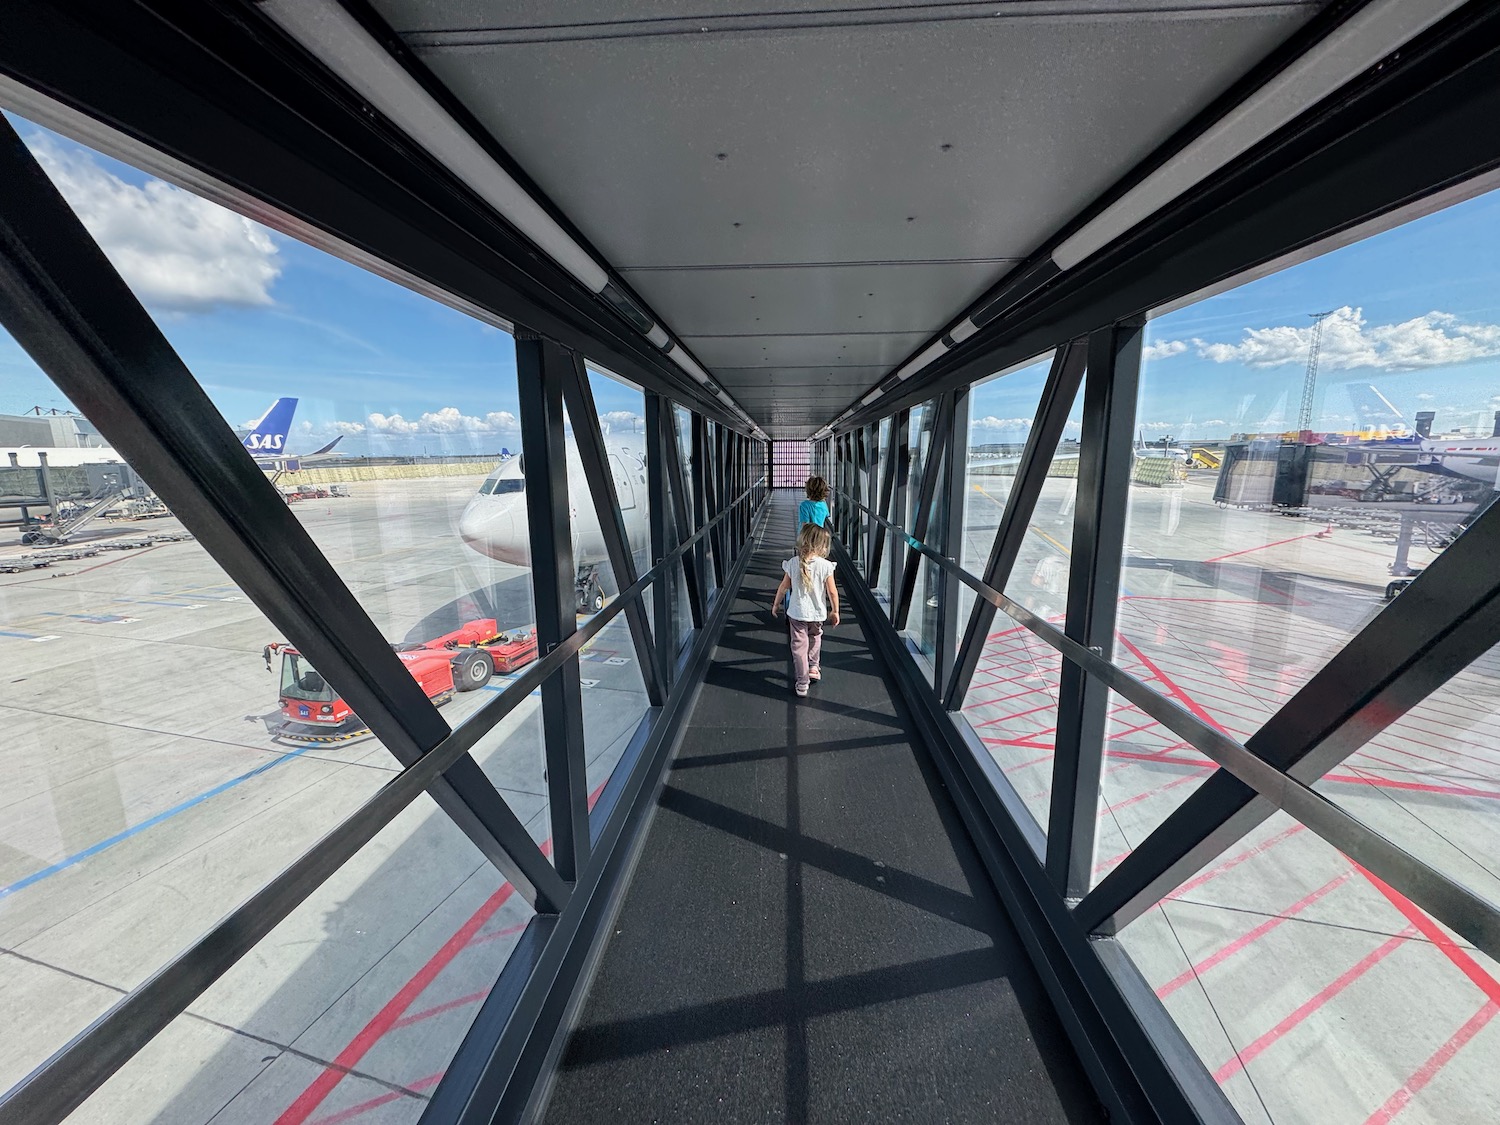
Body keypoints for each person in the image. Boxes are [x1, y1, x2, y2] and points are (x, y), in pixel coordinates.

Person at [772, 523, 840, 697]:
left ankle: (802, 683)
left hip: (797, 613)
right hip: (817, 614)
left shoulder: (793, 563)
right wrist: (835, 611)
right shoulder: (826, 566)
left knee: (799, 647)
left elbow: (784, 587)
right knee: (815, 637)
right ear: (822, 545)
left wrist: (776, 604)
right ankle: (814, 667)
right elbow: (832, 592)